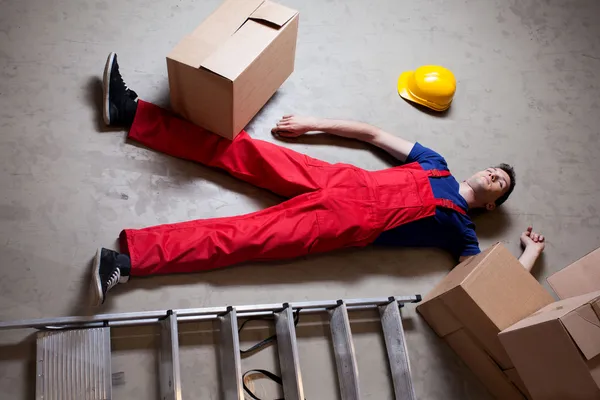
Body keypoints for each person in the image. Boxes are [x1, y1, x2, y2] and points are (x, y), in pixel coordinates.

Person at [91, 53, 546, 305]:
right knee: (239, 148)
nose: (493, 174)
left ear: (490, 205)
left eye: (500, 184)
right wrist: (313, 123)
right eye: (494, 168)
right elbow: (372, 134)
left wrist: (529, 255)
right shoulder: (435, 162)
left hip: (344, 226)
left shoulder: (462, 231)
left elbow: (486, 280)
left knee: (242, 238)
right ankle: (130, 112)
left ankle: (129, 262)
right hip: (341, 179)